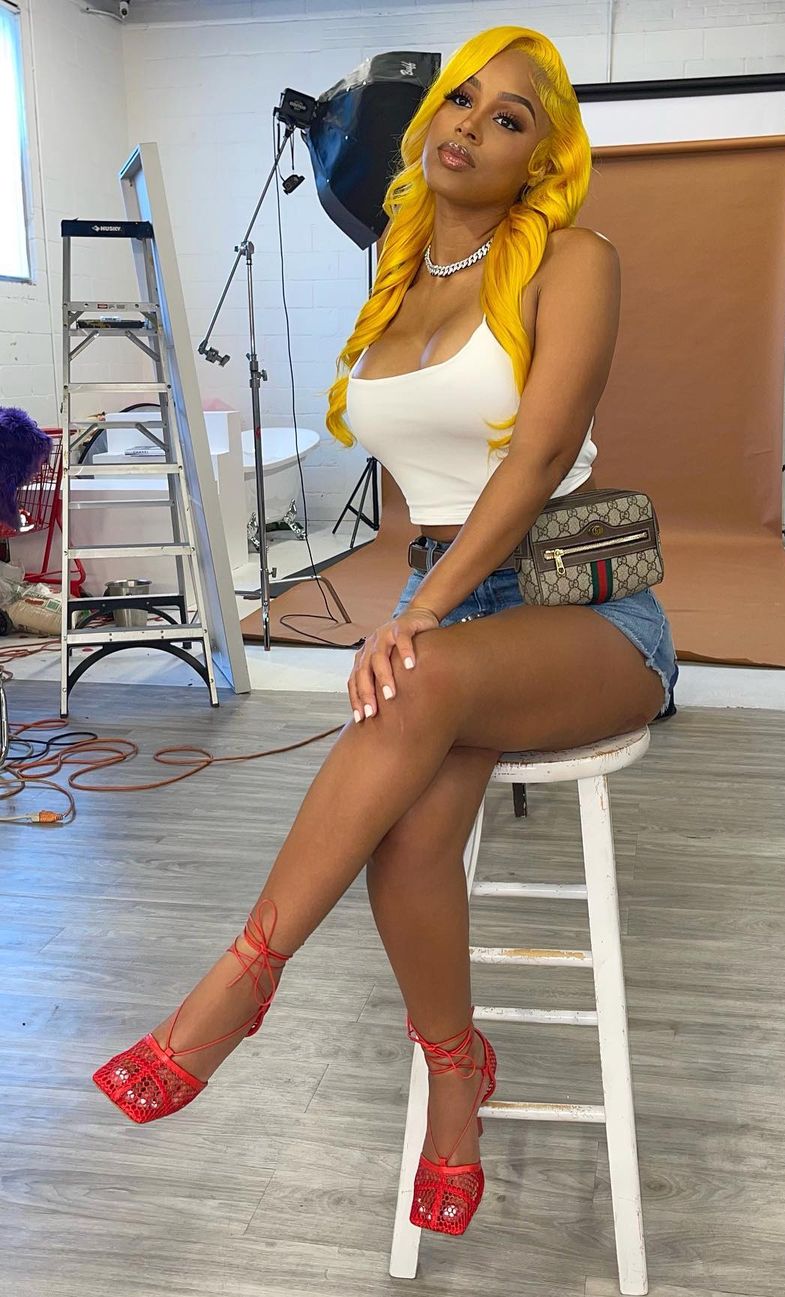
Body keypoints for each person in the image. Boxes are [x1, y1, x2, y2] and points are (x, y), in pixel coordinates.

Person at [92, 25, 678, 1238]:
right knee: (407, 847)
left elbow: (539, 457)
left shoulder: (576, 260)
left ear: (540, 158)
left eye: (511, 118)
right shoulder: (396, 282)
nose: (472, 124)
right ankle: (458, 1072)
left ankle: (241, 981)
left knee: (413, 686)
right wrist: (419, 607)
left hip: (578, 613)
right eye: (462, 98)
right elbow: (424, 493)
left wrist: (418, 615)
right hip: (452, 608)